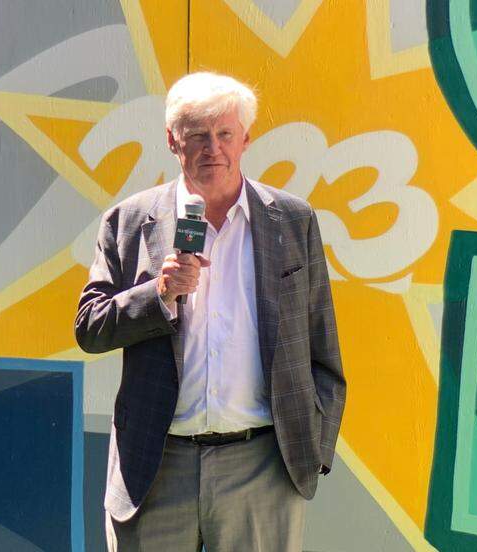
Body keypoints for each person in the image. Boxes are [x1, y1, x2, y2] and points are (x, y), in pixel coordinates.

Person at [74, 72, 347, 551]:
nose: (211, 149)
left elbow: (322, 345)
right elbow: (90, 328)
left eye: (224, 134)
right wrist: (157, 294)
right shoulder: (130, 221)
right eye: (196, 135)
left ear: (246, 138)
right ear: (172, 141)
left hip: (262, 466)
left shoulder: (292, 219)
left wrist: (314, 449)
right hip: (155, 468)